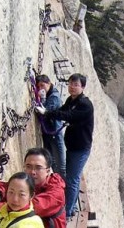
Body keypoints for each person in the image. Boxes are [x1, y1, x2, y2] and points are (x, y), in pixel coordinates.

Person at [35, 73, 94, 218]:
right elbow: (63, 111)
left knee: (72, 179)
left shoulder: (85, 105)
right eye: (71, 84)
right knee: (71, 178)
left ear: (83, 87)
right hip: (73, 146)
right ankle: (71, 207)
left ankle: (67, 213)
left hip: (80, 149)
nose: (72, 87)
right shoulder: (71, 100)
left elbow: (68, 116)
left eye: (76, 85)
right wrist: (48, 111)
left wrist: (47, 112)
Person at [35, 74, 66, 178]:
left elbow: (47, 112)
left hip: (55, 133)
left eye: (42, 85)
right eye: (38, 87)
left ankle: (65, 187)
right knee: (51, 161)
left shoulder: (54, 97)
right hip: (48, 133)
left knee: (61, 164)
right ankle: (58, 182)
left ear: (49, 83)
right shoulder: (51, 94)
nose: (41, 88)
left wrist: (42, 99)